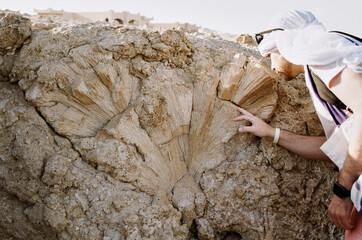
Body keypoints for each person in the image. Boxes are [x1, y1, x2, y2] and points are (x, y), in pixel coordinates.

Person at [233, 10, 362, 238]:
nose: (271, 66)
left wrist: (342, 191)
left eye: (271, 55)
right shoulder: (322, 66)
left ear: (285, 45)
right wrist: (272, 133)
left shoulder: (322, 55)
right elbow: (344, 146)